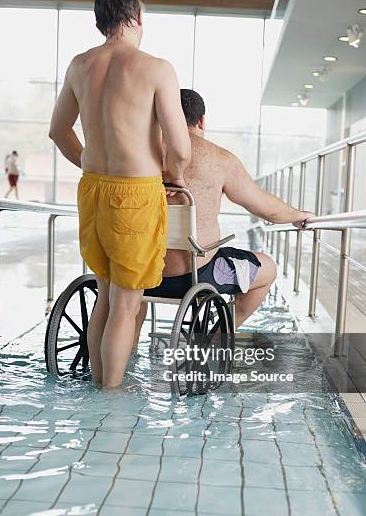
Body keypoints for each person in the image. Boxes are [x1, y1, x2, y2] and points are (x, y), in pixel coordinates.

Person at [49, 0, 191, 388]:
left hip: (93, 187)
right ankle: (111, 396)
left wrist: (91, 163)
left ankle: (99, 383)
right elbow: (180, 146)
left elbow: (59, 131)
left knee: (106, 299)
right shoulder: (156, 68)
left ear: (99, 21)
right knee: (127, 305)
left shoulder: (80, 65)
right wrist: (176, 176)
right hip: (137, 192)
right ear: (138, 16)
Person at [133, 89, 313, 346]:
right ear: (202, 121)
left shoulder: (138, 155)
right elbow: (266, 209)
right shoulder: (220, 159)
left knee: (129, 298)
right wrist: (297, 215)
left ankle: (126, 350)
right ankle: (215, 340)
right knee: (268, 268)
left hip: (138, 273)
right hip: (197, 276)